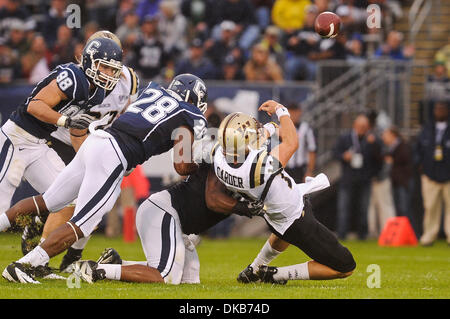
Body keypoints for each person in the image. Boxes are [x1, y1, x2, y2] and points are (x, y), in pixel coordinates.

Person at [1, 73, 208, 284]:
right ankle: (26, 265)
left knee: (48, 201)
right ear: (195, 99)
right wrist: (199, 165)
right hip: (113, 155)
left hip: (97, 140)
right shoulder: (189, 113)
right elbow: (181, 166)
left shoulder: (153, 90)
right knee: (82, 224)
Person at [19, 31, 140, 272]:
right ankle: (38, 255)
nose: (109, 71)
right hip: (65, 139)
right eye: (104, 65)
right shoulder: (80, 78)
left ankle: (70, 253)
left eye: (114, 65)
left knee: (93, 202)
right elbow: (50, 109)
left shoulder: (130, 81)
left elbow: (126, 117)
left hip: (96, 141)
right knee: (74, 200)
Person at [72, 150, 265, 284]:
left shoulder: (240, 171)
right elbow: (213, 199)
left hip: (175, 221)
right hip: (163, 211)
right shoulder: (219, 163)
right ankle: (95, 270)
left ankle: (116, 264)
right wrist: (245, 208)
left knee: (189, 278)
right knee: (165, 276)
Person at [214, 106, 355, 284]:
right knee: (345, 267)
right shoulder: (258, 169)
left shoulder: (219, 158)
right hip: (295, 217)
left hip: (274, 214)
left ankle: (255, 269)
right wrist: (281, 111)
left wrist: (270, 128)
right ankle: (275, 275)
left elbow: (252, 143)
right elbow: (291, 142)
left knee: (282, 234)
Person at [0, 37, 123, 215]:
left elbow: (77, 129)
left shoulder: (98, 93)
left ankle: (33, 227)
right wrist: (65, 121)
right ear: (89, 61)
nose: (108, 74)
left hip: (39, 144)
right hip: (16, 137)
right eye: (103, 67)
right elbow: (34, 105)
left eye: (113, 69)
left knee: (67, 196)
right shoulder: (73, 77)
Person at [333, 114, 382, 240]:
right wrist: (344, 156)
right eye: (360, 126)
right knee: (344, 207)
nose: (362, 129)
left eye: (365, 126)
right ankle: (342, 233)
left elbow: (379, 158)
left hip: (364, 179)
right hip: (348, 178)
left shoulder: (372, 140)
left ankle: (362, 234)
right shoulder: (345, 138)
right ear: (354, 125)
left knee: (363, 208)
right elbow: (335, 152)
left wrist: (374, 144)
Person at [415, 101, 450, 246]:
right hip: (430, 174)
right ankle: (429, 236)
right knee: (430, 206)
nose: (439, 111)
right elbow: (417, 150)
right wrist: (420, 165)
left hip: (448, 174)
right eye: (437, 109)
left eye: (442, 109)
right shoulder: (427, 129)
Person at [284, 103, 316, 183]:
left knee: (300, 193)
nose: (293, 115)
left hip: (300, 169)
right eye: (291, 112)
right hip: (284, 169)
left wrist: (309, 171)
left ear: (300, 112)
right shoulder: (279, 128)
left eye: (295, 112)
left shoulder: (306, 128)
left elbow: (312, 150)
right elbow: (274, 150)